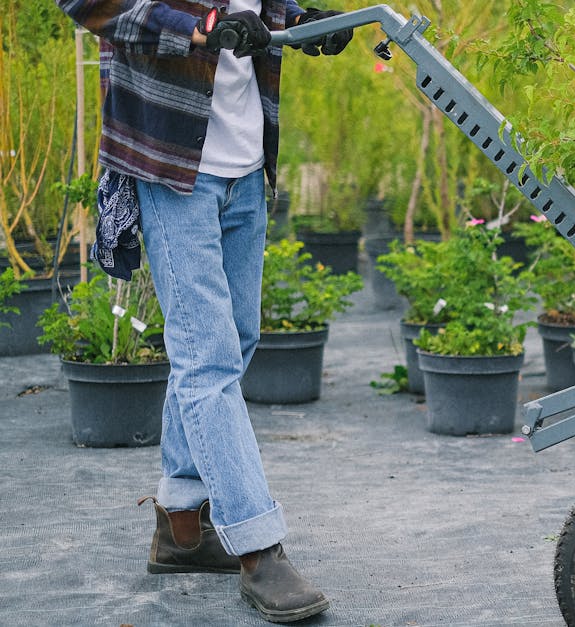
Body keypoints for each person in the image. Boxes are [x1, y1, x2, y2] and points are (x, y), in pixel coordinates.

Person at [56, 1, 353, 622]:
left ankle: (181, 527)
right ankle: (258, 546)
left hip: (245, 159)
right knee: (208, 358)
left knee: (232, 341)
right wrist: (196, 29)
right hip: (173, 164)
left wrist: (301, 22)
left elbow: (257, 9)